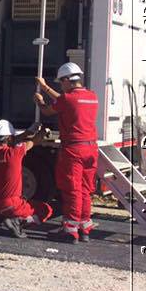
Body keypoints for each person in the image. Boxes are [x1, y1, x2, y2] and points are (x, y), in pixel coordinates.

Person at [35, 62, 99, 242]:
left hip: (74, 150)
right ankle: (84, 227)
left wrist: (40, 102)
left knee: (72, 190)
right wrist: (46, 87)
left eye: (61, 83)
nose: (60, 86)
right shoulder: (91, 97)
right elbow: (64, 101)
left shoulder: (68, 99)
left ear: (67, 80)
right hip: (91, 149)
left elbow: (49, 110)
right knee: (86, 190)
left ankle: (70, 230)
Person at [0, 119, 53, 238]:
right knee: (46, 210)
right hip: (11, 205)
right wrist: (42, 132)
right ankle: (19, 221)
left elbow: (11, 142)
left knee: (1, 206)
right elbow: (33, 142)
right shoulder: (14, 154)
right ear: (8, 137)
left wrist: (27, 132)